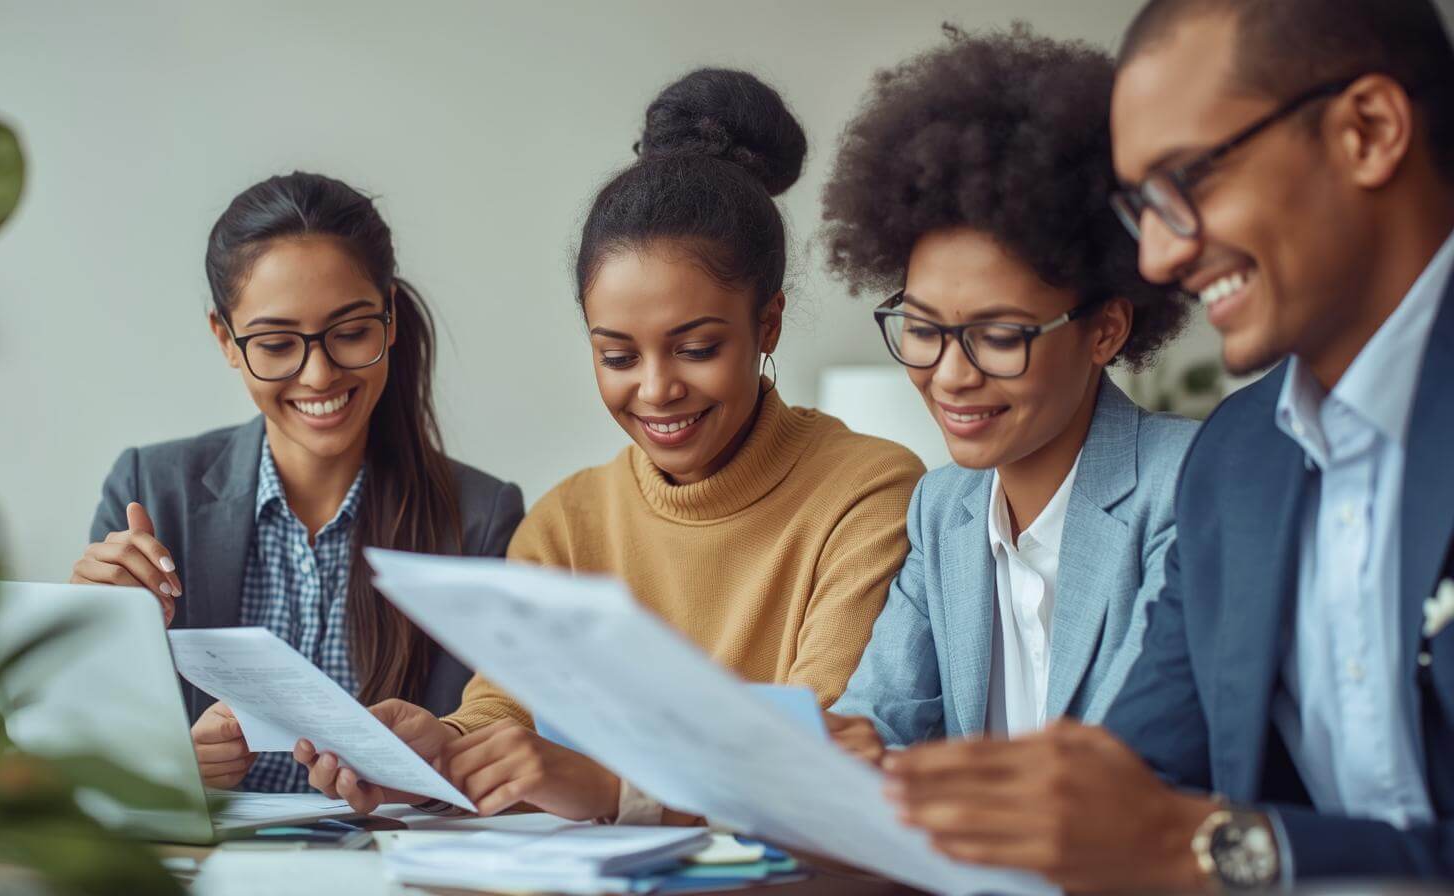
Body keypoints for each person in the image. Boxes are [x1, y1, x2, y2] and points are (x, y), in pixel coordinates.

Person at [879, 0, 1454, 890]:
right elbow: (1139, 786)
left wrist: (1229, 849)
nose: (1154, 256)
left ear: (1369, 131)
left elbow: (1167, 832)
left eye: (1190, 180)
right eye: (1142, 204)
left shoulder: (1191, 468)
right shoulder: (1240, 462)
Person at [295, 68, 925, 822]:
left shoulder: (868, 491)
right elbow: (507, 710)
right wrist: (436, 753)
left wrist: (614, 792)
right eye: (618, 357)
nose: (656, 390)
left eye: (695, 348)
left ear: (769, 324)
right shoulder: (568, 520)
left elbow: (831, 749)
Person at [73, 172, 524, 793]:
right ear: (225, 340)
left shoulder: (480, 517)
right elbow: (83, 749)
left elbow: (493, 736)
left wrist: (431, 759)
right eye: (278, 343)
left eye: (350, 333)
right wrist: (163, 754)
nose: (318, 375)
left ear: (389, 319)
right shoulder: (150, 489)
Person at [820, 25, 1196, 760]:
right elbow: (878, 723)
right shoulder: (943, 509)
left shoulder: (1183, 487)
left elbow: (1131, 770)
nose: (952, 374)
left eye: (999, 336)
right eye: (923, 328)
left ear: (1106, 330)